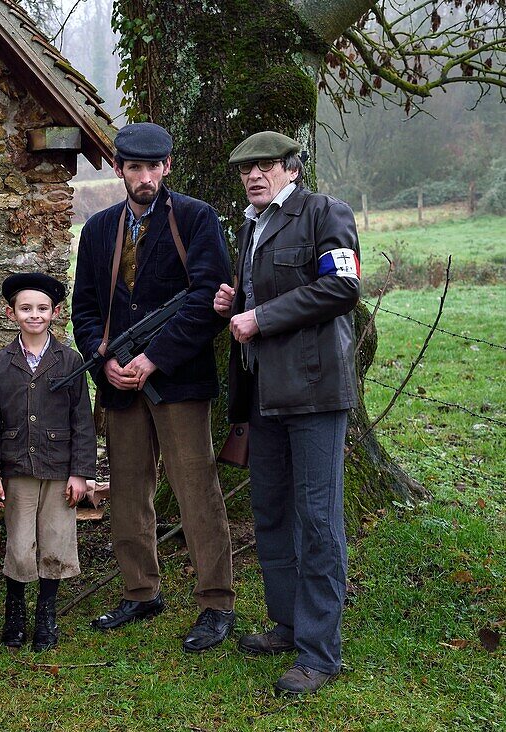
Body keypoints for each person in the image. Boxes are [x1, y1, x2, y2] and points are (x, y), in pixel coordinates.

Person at [71, 122, 237, 653]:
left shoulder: (196, 218)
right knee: (126, 492)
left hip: (179, 381)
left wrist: (153, 358)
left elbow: (207, 300)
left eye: (154, 167)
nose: (144, 177)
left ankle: (216, 603)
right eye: (134, 167)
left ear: (167, 167)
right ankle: (141, 591)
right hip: (120, 383)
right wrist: (105, 360)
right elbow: (86, 308)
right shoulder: (97, 230)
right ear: (118, 169)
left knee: (197, 491)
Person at [214, 131, 360, 695]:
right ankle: (289, 623)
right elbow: (264, 293)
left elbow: (341, 286)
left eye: (266, 166)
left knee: (319, 519)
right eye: (246, 168)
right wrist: (237, 303)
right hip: (264, 394)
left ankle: (320, 653)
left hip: (317, 392)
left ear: (291, 169)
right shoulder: (250, 225)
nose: (254, 175)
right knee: (271, 510)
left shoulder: (325, 212)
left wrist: (262, 317)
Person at [0, 273, 96, 652]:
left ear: (55, 312)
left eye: (42, 308)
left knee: (56, 541)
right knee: (19, 543)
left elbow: (82, 421)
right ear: (11, 312)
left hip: (60, 467)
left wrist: (81, 473)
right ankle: (14, 612)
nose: (35, 315)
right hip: (16, 468)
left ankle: (46, 615)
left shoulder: (70, 361)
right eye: (26, 308)